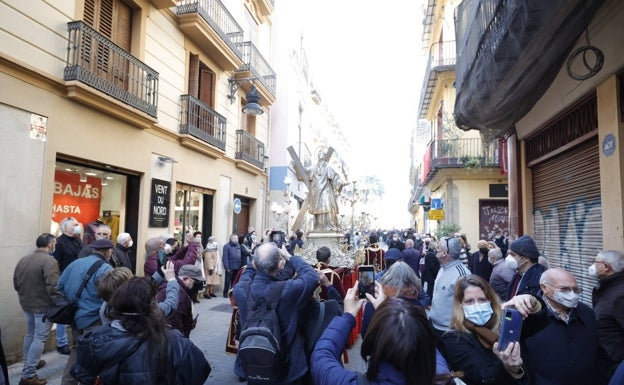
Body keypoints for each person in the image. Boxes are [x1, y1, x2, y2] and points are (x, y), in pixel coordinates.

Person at [70, 277, 210, 385]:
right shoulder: (176, 341)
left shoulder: (95, 339)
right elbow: (197, 373)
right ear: (153, 306)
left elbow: (83, 375)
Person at [233, 242, 318, 384]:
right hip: (288, 366)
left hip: (254, 363)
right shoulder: (289, 290)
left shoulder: (240, 289)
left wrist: (261, 249)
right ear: (280, 265)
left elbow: (248, 272)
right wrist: (290, 256)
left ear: (254, 263)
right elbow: (311, 276)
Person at [311, 289, 437, 385]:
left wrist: (348, 316)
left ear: (374, 340)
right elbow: (428, 346)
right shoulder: (444, 376)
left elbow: (322, 354)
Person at [509, 268, 604, 385]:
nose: (572, 294)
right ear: (544, 288)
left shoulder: (587, 313)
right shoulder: (526, 317)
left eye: (575, 289)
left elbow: (599, 352)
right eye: (564, 289)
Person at [443, 274, 529, 385]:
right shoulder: (454, 338)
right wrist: (509, 368)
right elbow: (482, 376)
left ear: (491, 300)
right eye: (469, 301)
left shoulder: (507, 323)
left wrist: (533, 301)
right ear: (460, 305)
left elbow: (538, 325)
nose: (477, 306)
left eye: (482, 299)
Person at [57, 238, 115, 385]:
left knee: (77, 350)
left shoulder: (75, 263)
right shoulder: (106, 269)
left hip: (75, 317)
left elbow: (60, 286)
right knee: (95, 356)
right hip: (94, 319)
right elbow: (110, 297)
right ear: (108, 252)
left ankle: (67, 382)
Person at [13, 233, 61, 385]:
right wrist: (59, 302)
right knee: (39, 337)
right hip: (42, 306)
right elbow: (53, 286)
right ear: (51, 245)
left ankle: (29, 364)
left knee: (31, 334)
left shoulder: (24, 259)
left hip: (26, 303)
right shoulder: (49, 261)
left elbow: (16, 282)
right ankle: (29, 375)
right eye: (55, 244)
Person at [590, 250, 624, 378]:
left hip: (615, 366)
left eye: (595, 261)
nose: (592, 265)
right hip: (607, 363)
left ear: (606, 267)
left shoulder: (619, 295)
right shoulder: (606, 287)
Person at [53, 217, 84, 355]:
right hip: (66, 281)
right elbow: (56, 264)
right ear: (66, 228)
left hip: (80, 280)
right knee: (64, 311)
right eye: (75, 225)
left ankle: (75, 339)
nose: (78, 226)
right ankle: (62, 342)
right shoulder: (59, 243)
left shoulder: (78, 240)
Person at [429, 236, 471, 336]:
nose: (436, 249)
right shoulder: (442, 269)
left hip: (450, 331)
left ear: (445, 253)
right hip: (435, 327)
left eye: (439, 247)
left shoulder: (462, 275)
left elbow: (468, 306)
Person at [157, 264, 204, 338]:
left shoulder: (172, 287)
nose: (196, 285)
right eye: (195, 281)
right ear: (185, 279)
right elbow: (176, 324)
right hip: (172, 340)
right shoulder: (180, 295)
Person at [305, 148, 347, 231]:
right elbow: (305, 174)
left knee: (327, 206)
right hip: (315, 193)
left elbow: (335, 177)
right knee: (317, 210)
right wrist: (296, 166)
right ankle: (318, 226)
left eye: (322, 154)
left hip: (326, 191)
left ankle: (329, 225)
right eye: (319, 154)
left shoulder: (328, 167)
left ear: (324, 157)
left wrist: (340, 182)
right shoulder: (313, 169)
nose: (320, 156)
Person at [505, 235, 546, 299]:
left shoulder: (539, 279)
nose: (508, 258)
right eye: (508, 254)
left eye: (512, 255)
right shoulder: (518, 275)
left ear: (525, 258)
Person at [222, 233, 242, 298]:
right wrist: (226, 267)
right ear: (231, 239)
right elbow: (225, 257)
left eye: (236, 238)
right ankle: (225, 293)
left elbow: (239, 255)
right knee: (227, 281)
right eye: (234, 238)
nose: (235, 240)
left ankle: (232, 293)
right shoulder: (227, 246)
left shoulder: (238, 245)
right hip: (230, 267)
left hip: (237, 266)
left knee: (235, 281)